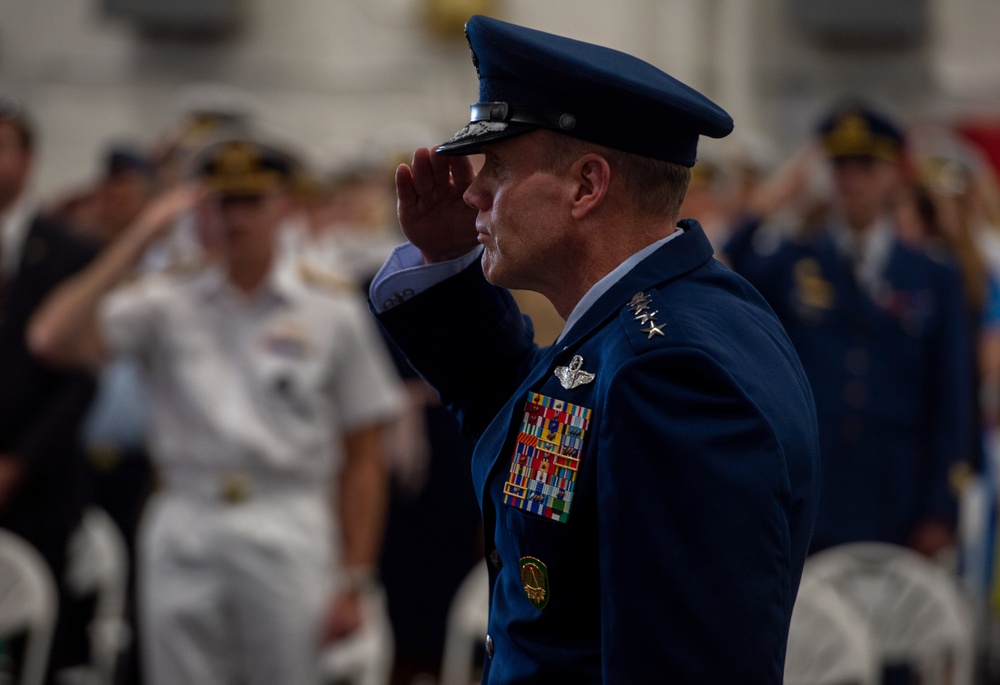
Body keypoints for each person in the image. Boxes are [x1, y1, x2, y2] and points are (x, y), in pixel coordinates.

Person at [369, 15, 821, 683]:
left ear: (586, 186)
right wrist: (449, 264)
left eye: (496, 166)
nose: (471, 192)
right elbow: (546, 435)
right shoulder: (664, 314)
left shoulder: (670, 371)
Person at [28, 135, 403, 685]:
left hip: (286, 519)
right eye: (223, 202)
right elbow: (50, 337)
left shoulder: (329, 307)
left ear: (284, 207)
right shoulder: (167, 301)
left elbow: (364, 456)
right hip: (185, 516)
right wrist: (140, 235)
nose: (237, 218)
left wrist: (355, 579)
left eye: (252, 202)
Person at [725, 101, 976, 557]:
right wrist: (778, 193)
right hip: (814, 491)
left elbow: (953, 395)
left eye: (866, 167)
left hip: (899, 493)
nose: (852, 180)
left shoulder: (931, 273)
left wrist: (943, 504)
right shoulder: (796, 261)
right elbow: (729, 261)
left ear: (894, 177)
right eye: (840, 167)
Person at [0, 96, 99, 681]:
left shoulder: (69, 252)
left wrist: (18, 462)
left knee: (41, 649)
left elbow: (81, 378)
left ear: (28, 160)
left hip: (38, 485)